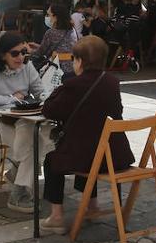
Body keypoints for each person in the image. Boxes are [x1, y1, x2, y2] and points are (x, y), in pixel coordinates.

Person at [39, 35, 131, 232]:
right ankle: (92, 205)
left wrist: (61, 87)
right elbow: (118, 111)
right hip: (116, 156)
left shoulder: (73, 85)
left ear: (79, 61)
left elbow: (50, 110)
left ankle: (56, 216)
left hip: (92, 158)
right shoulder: (112, 82)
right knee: (88, 146)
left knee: (52, 159)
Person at [0, 32, 49, 213]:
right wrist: (12, 98)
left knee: (44, 135)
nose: (21, 57)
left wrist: (48, 99)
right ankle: (18, 193)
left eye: (24, 52)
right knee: (33, 142)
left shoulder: (26, 65)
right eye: (15, 53)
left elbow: (40, 90)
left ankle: (18, 178)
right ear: (2, 55)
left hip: (17, 119)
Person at [37, 1, 81, 75]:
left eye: (48, 15)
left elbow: (41, 52)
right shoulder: (72, 30)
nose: (46, 17)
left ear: (56, 17)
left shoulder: (51, 33)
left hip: (57, 70)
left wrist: (29, 50)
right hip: (73, 68)